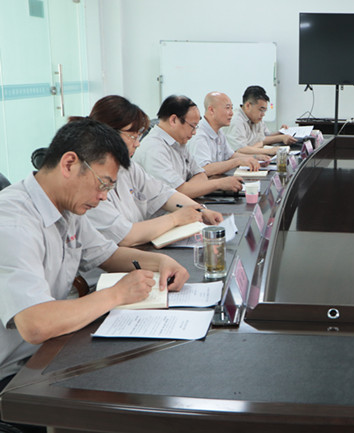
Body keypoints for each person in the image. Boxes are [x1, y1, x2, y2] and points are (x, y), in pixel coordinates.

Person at [0, 119, 189, 405]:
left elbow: (108, 255)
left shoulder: (66, 208)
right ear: (69, 164)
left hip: (49, 352)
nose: (102, 197)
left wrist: (160, 261)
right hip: (13, 376)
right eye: (103, 184)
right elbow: (34, 324)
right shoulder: (13, 221)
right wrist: (116, 294)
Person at [80, 95, 223, 246]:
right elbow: (125, 236)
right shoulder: (89, 180)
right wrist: (175, 219)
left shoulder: (128, 166)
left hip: (140, 245)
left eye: (138, 136)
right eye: (133, 137)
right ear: (108, 133)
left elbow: (163, 194)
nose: (137, 144)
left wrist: (201, 211)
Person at [134, 95, 243, 198]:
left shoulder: (178, 142)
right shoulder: (154, 148)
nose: (194, 132)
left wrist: (188, 188)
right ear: (173, 120)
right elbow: (176, 193)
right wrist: (218, 184)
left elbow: (201, 174)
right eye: (192, 126)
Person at [188, 91, 270, 177]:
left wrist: (255, 157)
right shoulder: (199, 136)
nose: (231, 113)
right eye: (227, 108)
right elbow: (204, 169)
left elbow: (230, 155)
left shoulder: (218, 131)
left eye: (231, 108)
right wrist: (237, 161)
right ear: (211, 110)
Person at [226, 85, 296, 154]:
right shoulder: (236, 120)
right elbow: (240, 150)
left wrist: (280, 133)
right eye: (261, 110)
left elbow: (265, 137)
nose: (263, 114)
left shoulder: (255, 118)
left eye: (264, 110)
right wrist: (269, 151)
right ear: (248, 106)